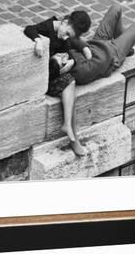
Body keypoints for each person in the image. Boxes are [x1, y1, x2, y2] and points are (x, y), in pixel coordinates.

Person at [49, 4, 135, 87]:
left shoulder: (64, 55)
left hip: (96, 42)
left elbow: (74, 40)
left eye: (58, 56)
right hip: (113, 53)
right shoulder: (81, 72)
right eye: (62, 60)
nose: (62, 55)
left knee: (116, 8)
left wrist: (84, 47)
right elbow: (102, 62)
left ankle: (127, 46)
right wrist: (76, 59)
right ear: (64, 69)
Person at [24, 10, 92, 156]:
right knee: (70, 90)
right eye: (67, 33)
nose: (66, 37)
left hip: (53, 75)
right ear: (65, 22)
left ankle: (67, 125)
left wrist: (71, 62)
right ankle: (73, 138)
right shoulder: (48, 27)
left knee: (70, 84)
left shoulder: (64, 36)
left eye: (69, 36)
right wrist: (38, 40)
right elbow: (29, 29)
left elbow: (68, 51)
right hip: (42, 79)